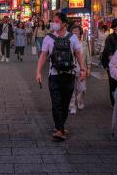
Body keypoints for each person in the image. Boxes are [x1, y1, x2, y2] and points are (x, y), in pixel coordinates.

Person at [36, 13, 85, 141]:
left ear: (64, 23)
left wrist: (83, 69)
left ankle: (60, 126)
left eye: (57, 21)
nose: (54, 23)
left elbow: (78, 54)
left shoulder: (73, 38)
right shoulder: (48, 38)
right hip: (54, 75)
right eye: (54, 21)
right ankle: (59, 129)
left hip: (69, 75)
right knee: (56, 102)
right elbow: (43, 55)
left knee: (65, 103)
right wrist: (38, 72)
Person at [101, 19, 117, 107]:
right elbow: (109, 52)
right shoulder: (110, 37)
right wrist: (114, 65)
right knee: (113, 83)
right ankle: (114, 103)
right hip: (112, 65)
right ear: (114, 27)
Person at [69, 26, 91, 114]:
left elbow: (88, 57)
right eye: (73, 31)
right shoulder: (69, 43)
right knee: (71, 89)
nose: (75, 33)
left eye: (77, 31)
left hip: (82, 69)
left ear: (80, 33)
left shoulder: (84, 43)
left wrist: (88, 68)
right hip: (71, 69)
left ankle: (80, 100)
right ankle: (72, 106)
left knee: (82, 89)